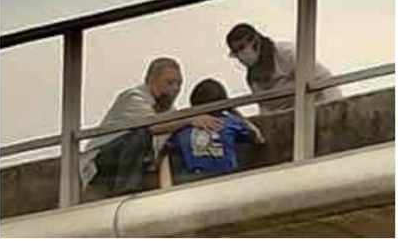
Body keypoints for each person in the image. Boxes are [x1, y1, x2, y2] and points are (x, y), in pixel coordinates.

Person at [79, 57, 224, 196]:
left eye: (179, 83)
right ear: (150, 81)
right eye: (169, 82)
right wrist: (189, 119)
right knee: (142, 132)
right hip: (102, 163)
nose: (175, 89)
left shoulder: (171, 112)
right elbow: (153, 126)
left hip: (134, 163)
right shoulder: (133, 97)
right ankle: (126, 191)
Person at [159, 78, 264, 188]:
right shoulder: (232, 123)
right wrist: (233, 110)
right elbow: (259, 138)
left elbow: (166, 155)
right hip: (227, 180)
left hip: (193, 182)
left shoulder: (182, 129)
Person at [226, 23, 342, 113]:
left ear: (255, 41)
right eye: (235, 53)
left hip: (320, 107)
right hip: (292, 120)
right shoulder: (253, 78)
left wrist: (335, 110)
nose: (240, 56)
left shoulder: (286, 54)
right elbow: (266, 109)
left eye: (241, 48)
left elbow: (322, 79)